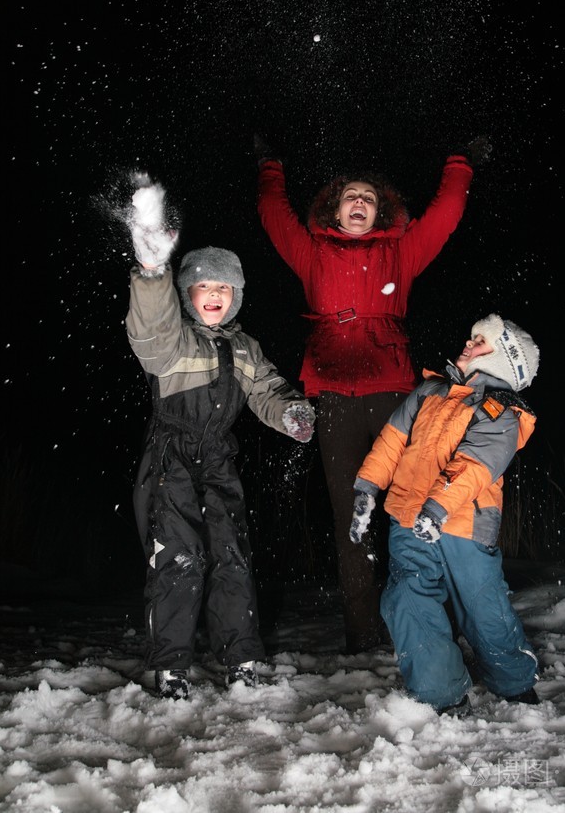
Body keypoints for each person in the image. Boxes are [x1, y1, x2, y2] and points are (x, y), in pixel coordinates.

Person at [255, 135, 490, 653]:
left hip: (394, 397)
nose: (358, 201)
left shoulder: (399, 254)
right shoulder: (312, 253)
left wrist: (460, 162)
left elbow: (446, 213)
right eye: (349, 196)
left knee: (410, 508)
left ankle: (422, 624)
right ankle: (361, 633)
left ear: (379, 211)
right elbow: (274, 215)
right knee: (351, 519)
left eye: (367, 197)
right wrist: (270, 165)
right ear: (334, 211)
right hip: (335, 398)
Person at [124, 174, 316, 700]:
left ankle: (242, 657)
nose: (214, 295)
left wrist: (290, 413)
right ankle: (171, 665)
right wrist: (152, 273)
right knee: (179, 559)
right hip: (169, 458)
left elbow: (269, 390)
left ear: (236, 297)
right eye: (204, 287)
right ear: (188, 294)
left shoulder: (243, 347)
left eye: (224, 288)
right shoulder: (172, 341)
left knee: (231, 556)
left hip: (218, 461)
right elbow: (150, 331)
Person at [349, 313, 541, 715]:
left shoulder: (500, 409)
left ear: (505, 361)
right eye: (471, 337)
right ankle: (442, 693)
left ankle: (515, 681)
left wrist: (436, 509)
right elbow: (392, 439)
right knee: (407, 598)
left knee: (481, 608)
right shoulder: (431, 390)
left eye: (481, 342)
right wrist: (368, 486)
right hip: (407, 518)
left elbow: (474, 465)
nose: (469, 344)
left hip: (463, 525)